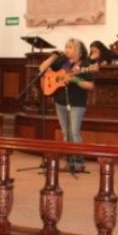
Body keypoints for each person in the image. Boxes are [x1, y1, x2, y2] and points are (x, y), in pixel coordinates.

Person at [39, 39, 94, 172]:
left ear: (78, 50)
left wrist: (75, 79)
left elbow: (90, 85)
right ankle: (70, 162)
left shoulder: (86, 64)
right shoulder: (62, 61)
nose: (67, 49)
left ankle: (79, 163)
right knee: (65, 133)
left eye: (70, 47)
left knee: (74, 133)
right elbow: (42, 68)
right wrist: (53, 56)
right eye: (66, 47)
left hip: (76, 102)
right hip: (60, 101)